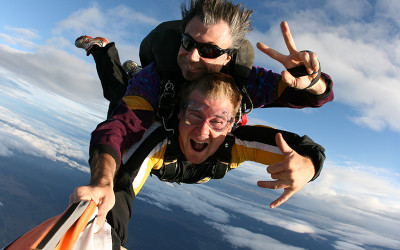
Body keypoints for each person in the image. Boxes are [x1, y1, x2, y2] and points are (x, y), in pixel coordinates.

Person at [71, 72, 325, 246]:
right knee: (117, 93)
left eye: (217, 121)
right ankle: (105, 53)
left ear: (230, 126)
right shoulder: (157, 140)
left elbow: (299, 148)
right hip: (137, 110)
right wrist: (105, 237)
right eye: (194, 115)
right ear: (179, 114)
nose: (203, 131)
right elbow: (121, 184)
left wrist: (308, 167)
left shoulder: (236, 144)